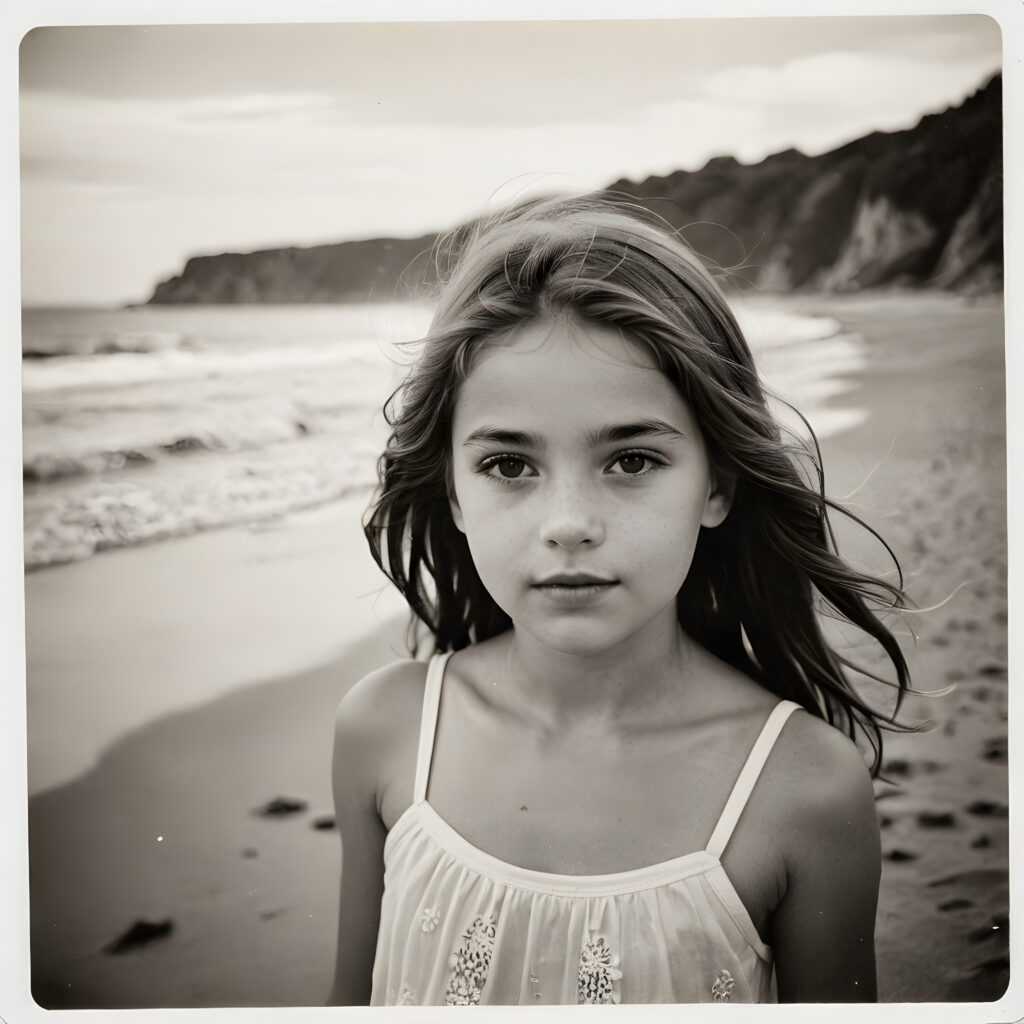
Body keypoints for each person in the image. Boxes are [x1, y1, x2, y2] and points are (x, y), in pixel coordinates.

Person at [328, 195, 911, 1005]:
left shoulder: (802, 788)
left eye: (631, 461)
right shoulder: (386, 732)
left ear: (718, 483)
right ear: (454, 492)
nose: (569, 524)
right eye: (508, 465)